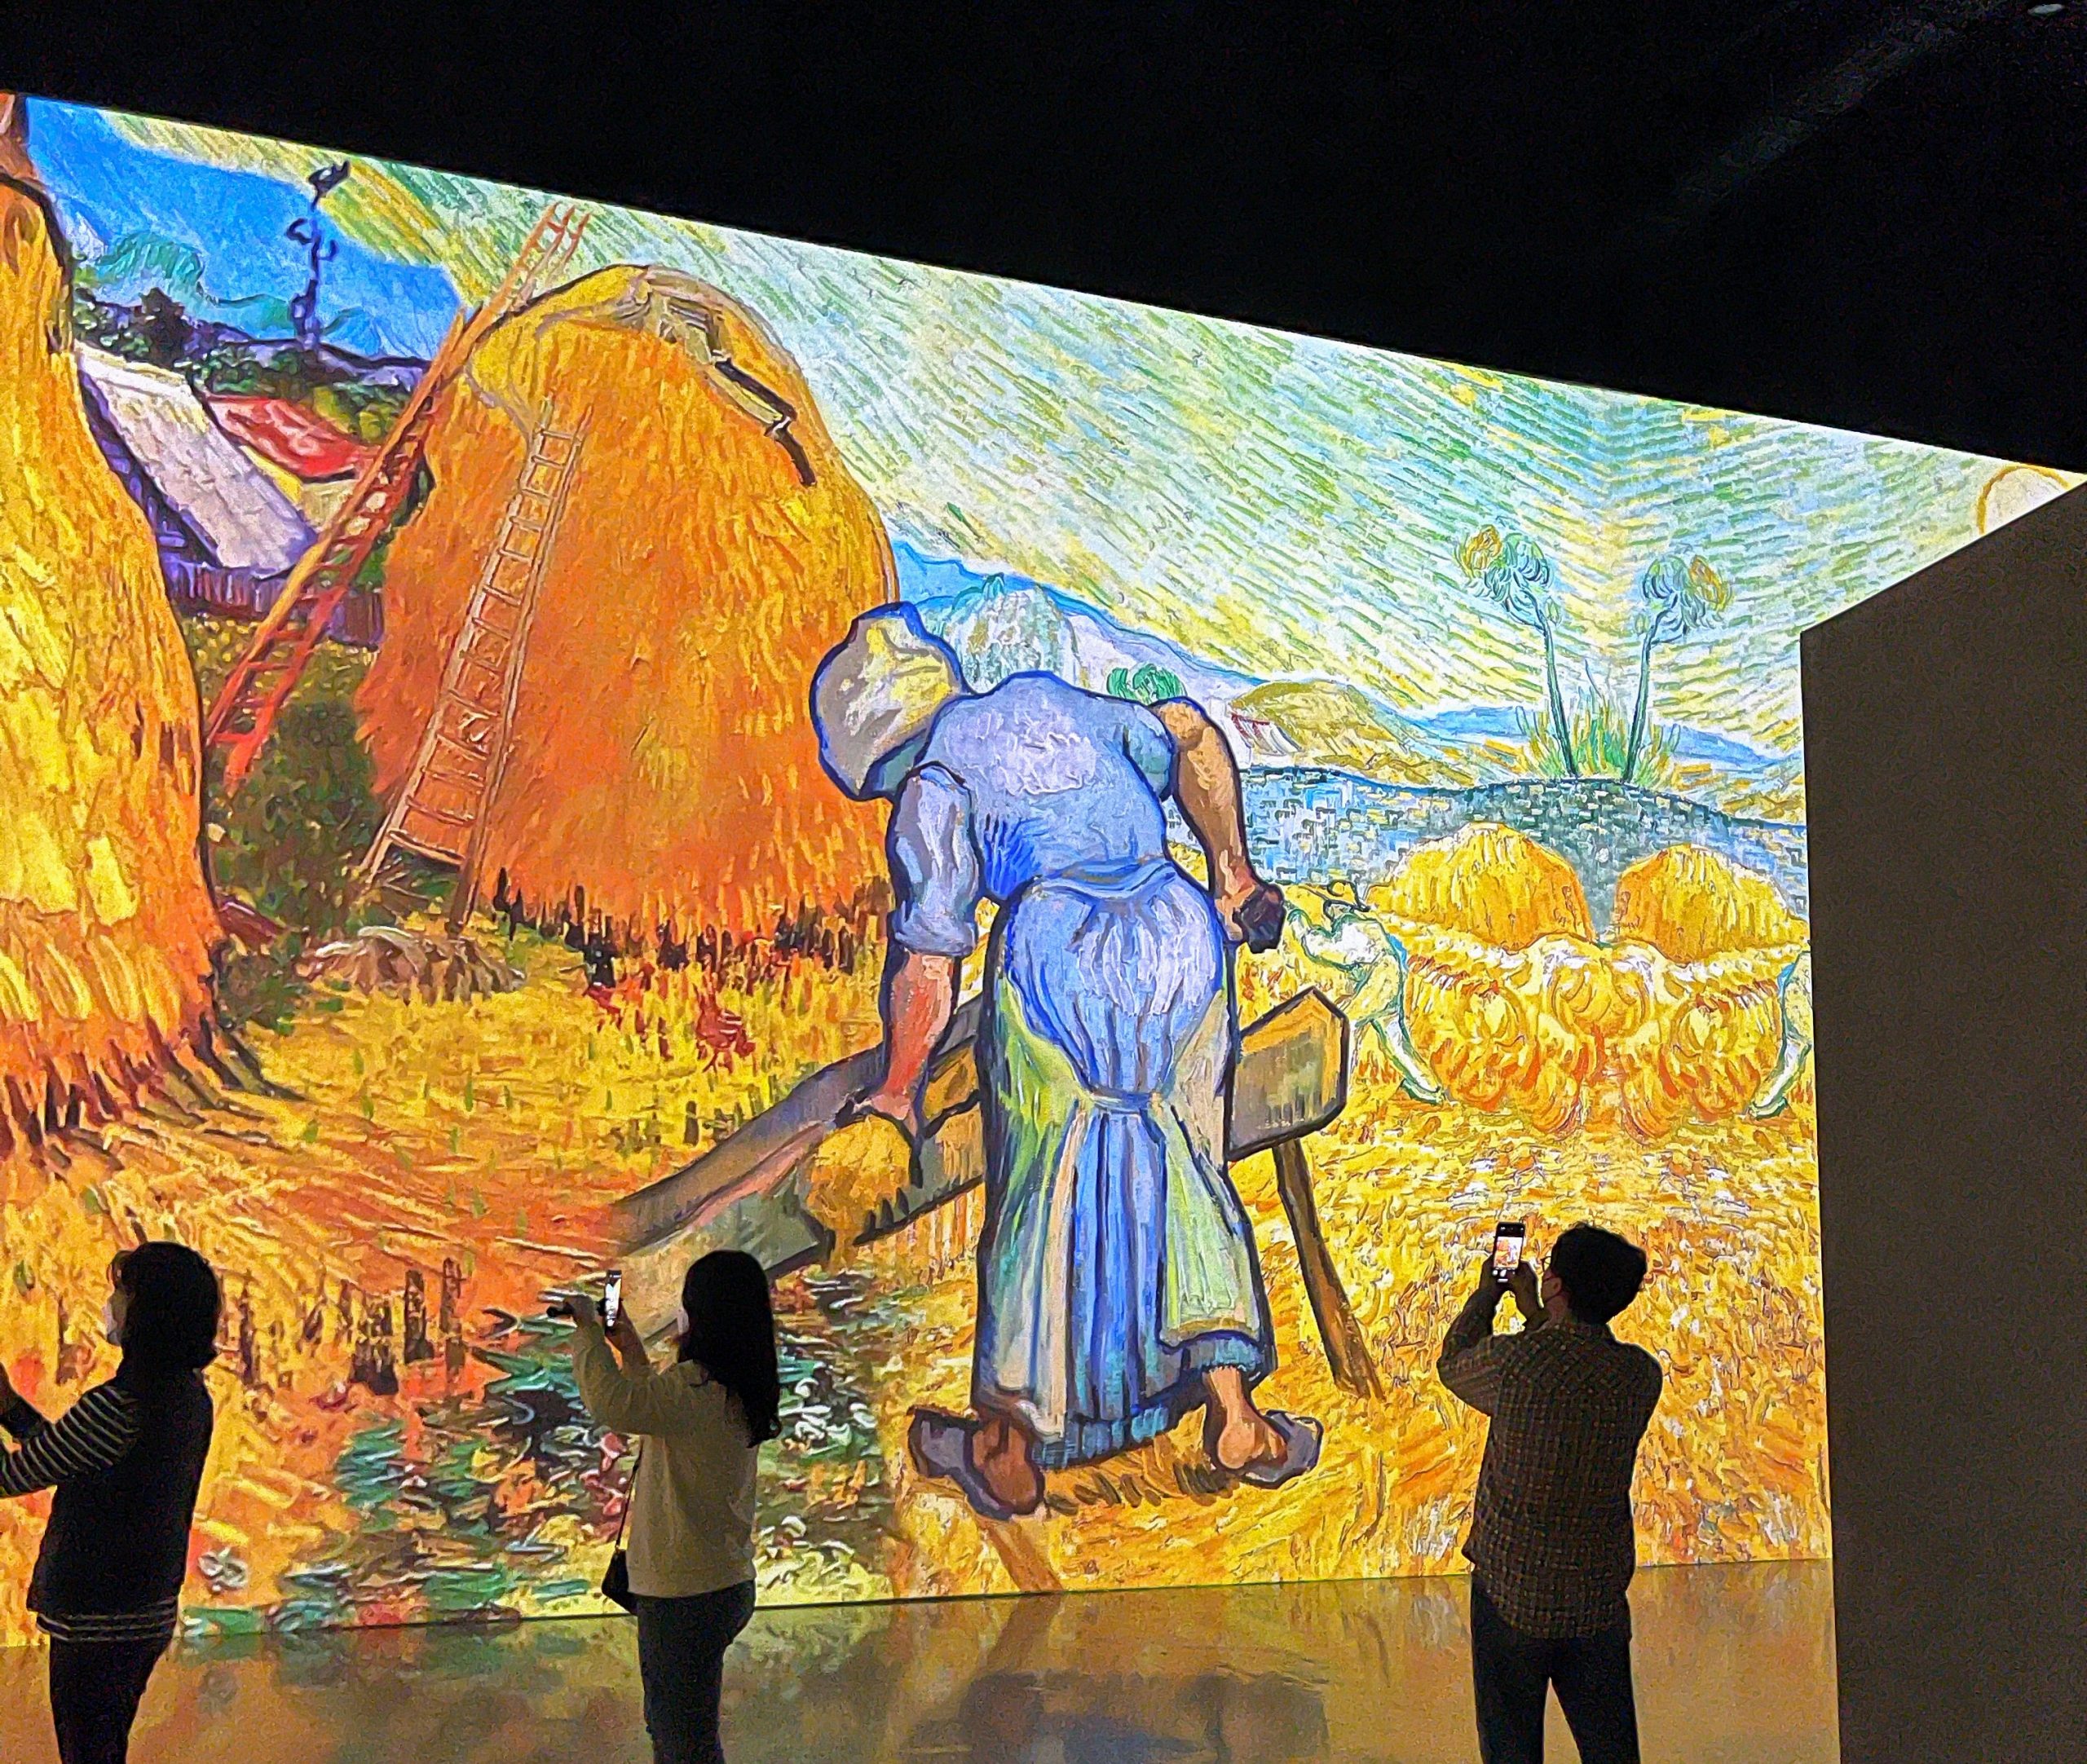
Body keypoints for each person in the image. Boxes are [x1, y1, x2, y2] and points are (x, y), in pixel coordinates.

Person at [810, 605, 1317, 1523]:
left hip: (1059, 963)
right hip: (1179, 943)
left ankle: (1007, 1449)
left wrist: (895, 1095)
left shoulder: (932, 786)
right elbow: (1189, 732)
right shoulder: (1050, 704)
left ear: (881, 755)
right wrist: (1233, 876)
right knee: (1186, 1165)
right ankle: (1237, 1419)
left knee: (1042, 1196)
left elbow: (930, 962)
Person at [1437, 1224, 1662, 1764]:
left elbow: (1454, 1361)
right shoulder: (1638, 1376)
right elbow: (1568, 1364)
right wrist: (1539, 1312)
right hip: (1596, 1598)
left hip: (1510, 1595)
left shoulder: (1515, 1364)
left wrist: (1491, 1294)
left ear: (1555, 1285)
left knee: (1511, 1749)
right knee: (1611, 1751)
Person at [0, 1242, 221, 1764]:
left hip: (95, 1613)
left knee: (88, 1750)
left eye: (123, 1294)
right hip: (146, 1608)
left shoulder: (118, 1405)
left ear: (148, 1314)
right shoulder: (186, 1396)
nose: (112, 1305)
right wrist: (9, 1408)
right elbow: (71, 1454)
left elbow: (13, 1476)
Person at [567, 1249, 779, 1764]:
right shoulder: (733, 1386)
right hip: (722, 1582)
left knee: (683, 1743)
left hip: (685, 1597)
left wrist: (587, 1330)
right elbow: (653, 1406)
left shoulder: (695, 1388)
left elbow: (615, 1404)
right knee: (681, 1731)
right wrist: (630, 1349)